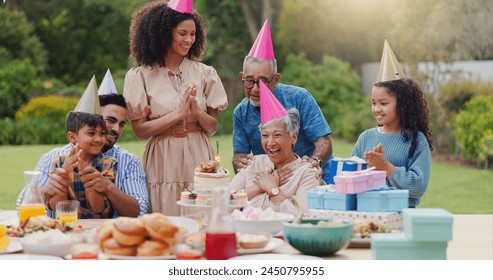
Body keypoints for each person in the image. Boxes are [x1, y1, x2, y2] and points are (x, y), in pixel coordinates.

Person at [123, 0, 228, 216]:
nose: (189, 39)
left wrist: (197, 112)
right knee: (166, 214)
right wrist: (178, 114)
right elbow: (140, 131)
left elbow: (212, 127)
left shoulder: (205, 73)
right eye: (182, 33)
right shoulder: (140, 76)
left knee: (202, 212)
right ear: (164, 33)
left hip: (198, 151)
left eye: (193, 34)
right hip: (163, 157)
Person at [16, 73, 148, 218]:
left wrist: (108, 187)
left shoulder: (127, 162)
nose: (116, 129)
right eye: (110, 120)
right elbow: (22, 206)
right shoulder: (54, 159)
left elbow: (139, 210)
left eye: (122, 124)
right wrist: (48, 191)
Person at [232, 19, 333, 184]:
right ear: (242, 77)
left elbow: (323, 142)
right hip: (274, 180)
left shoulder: (300, 97)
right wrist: (238, 163)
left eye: (263, 81)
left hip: (313, 177)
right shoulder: (241, 112)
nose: (256, 89)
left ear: (276, 79)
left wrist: (315, 161)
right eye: (249, 81)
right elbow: (240, 157)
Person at [352, 40, 433, 208]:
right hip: (367, 212)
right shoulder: (366, 138)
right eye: (374, 103)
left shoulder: (417, 140)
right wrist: (367, 169)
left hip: (402, 215)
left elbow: (418, 186)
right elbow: (350, 179)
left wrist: (386, 166)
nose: (376, 109)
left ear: (402, 104)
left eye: (383, 103)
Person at [230, 81, 320, 216]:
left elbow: (302, 218)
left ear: (293, 137)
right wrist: (258, 187)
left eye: (277, 135)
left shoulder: (307, 172)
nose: (270, 143)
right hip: (247, 235)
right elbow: (223, 201)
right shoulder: (254, 163)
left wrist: (273, 189)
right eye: (265, 136)